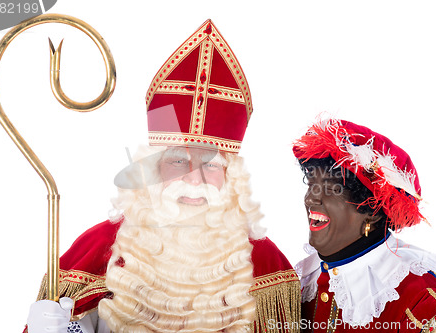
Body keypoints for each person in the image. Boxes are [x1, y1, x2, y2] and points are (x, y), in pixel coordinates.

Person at [24, 20, 300, 333]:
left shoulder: (265, 263)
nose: (195, 181)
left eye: (210, 165)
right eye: (179, 161)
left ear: (230, 177)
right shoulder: (98, 249)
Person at [293, 117, 436, 333]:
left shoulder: (419, 302)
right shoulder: (305, 281)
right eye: (312, 185)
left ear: (372, 213)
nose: (311, 199)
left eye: (332, 189)